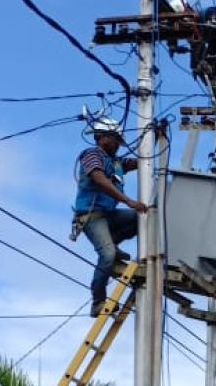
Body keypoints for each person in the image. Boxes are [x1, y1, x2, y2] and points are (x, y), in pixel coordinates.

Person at [72, 117, 148, 315]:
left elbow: (138, 162)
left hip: (109, 215)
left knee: (140, 219)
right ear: (102, 137)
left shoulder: (116, 162)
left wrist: (154, 138)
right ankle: (98, 302)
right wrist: (127, 200)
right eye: (115, 140)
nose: (117, 145)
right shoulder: (91, 155)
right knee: (107, 256)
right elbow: (99, 179)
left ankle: (112, 243)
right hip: (92, 216)